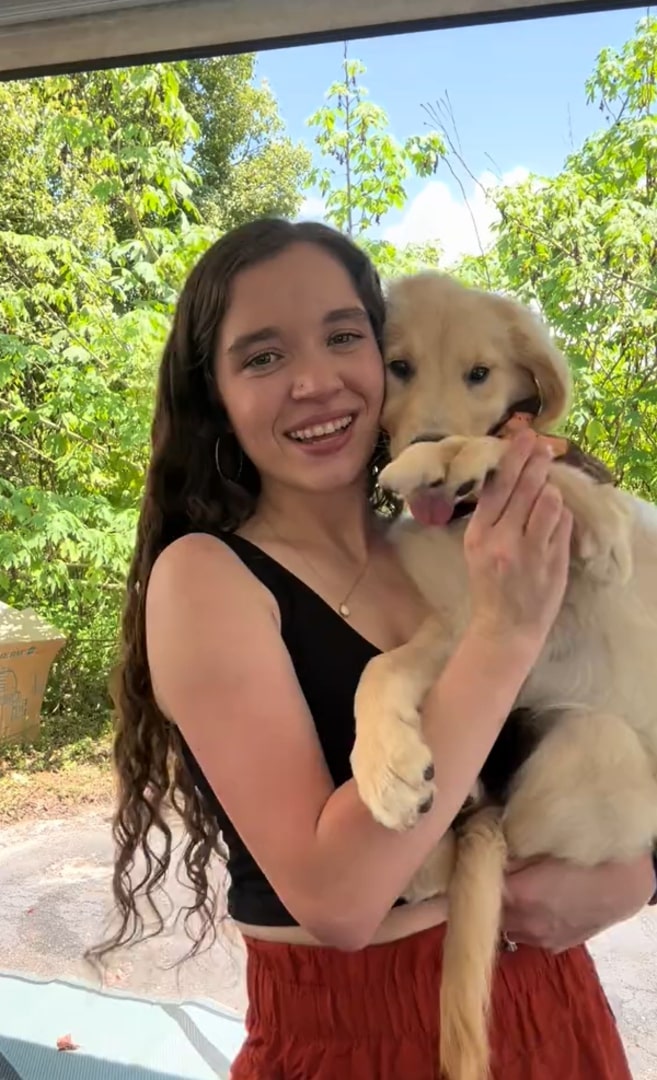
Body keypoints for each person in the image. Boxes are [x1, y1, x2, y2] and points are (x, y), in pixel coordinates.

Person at [98, 217, 655, 1079]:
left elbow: (625, 690)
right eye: (262, 356)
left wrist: (645, 875)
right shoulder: (205, 579)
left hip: (549, 1013)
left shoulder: (444, 540)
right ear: (214, 393)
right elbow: (340, 900)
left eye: (343, 337)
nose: (316, 381)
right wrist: (505, 631)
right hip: (357, 1040)